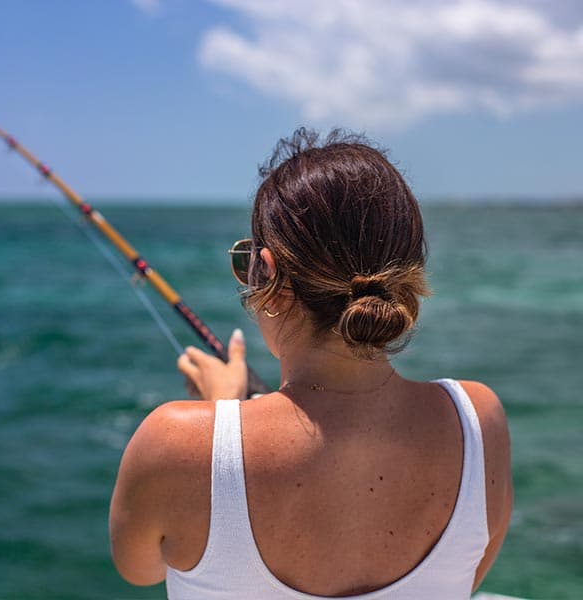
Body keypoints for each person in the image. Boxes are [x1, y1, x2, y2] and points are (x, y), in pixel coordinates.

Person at [109, 129, 512, 598]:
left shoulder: (174, 444)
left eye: (246, 265)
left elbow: (139, 568)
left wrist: (220, 421)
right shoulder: (479, 421)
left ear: (271, 279)